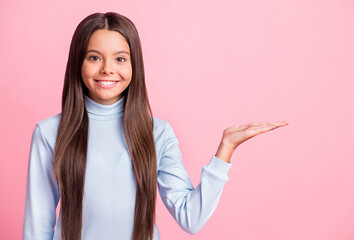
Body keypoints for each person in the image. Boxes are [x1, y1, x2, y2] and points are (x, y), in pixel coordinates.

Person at [22, 12, 288, 240]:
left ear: (134, 65)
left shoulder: (157, 133)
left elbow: (190, 218)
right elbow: (37, 226)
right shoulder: (49, 133)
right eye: (94, 58)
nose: (107, 69)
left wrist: (225, 150)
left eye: (120, 59)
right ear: (77, 63)